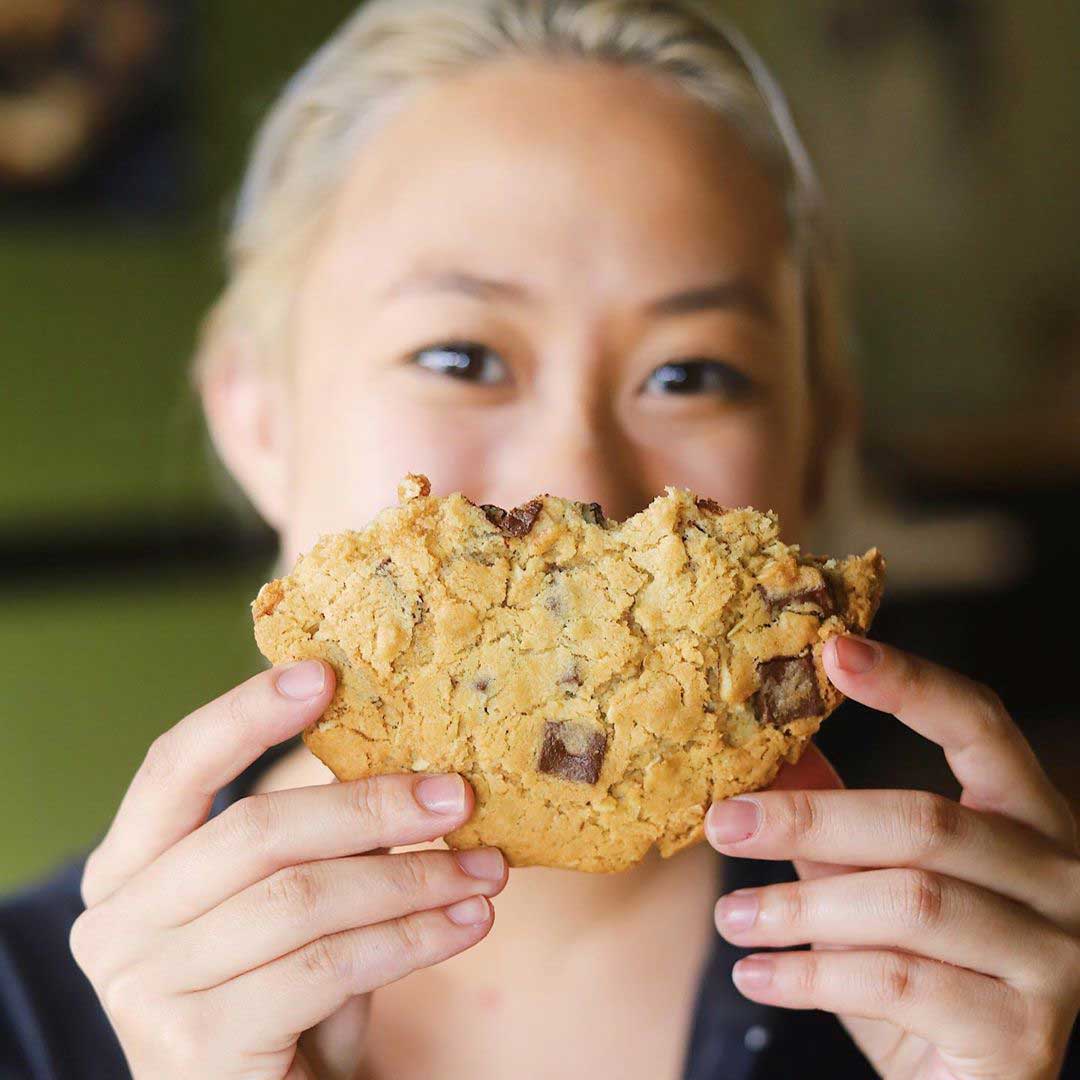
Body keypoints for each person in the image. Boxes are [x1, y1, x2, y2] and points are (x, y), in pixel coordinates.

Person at [2, 2, 1077, 1077]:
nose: (576, 481)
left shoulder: (1009, 995)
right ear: (257, 415)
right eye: (461, 357)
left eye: (690, 373)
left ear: (814, 442)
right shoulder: (31, 1021)